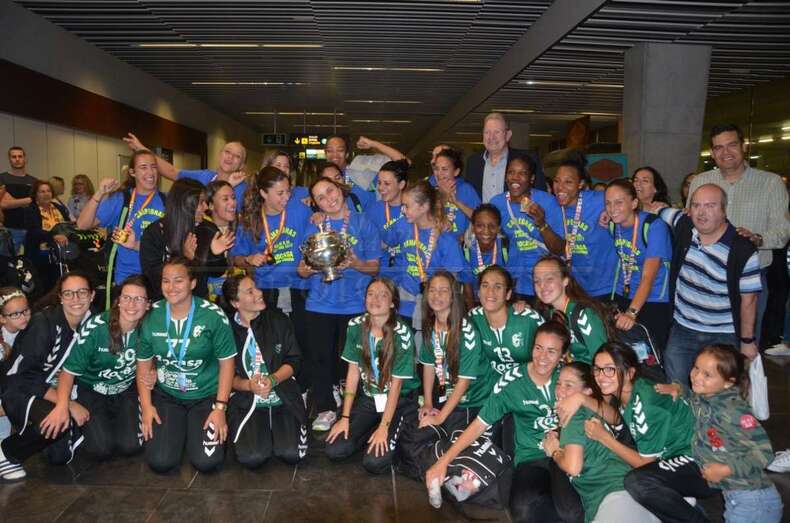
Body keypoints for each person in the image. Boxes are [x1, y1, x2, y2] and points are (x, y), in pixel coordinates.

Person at [424, 320, 571, 522]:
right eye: (538, 348)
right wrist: (443, 461)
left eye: (552, 351)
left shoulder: (570, 378)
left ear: (563, 355)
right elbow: (478, 424)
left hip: (570, 451)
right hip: (532, 457)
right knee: (521, 510)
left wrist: (579, 401)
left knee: (572, 509)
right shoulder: (512, 381)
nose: (542, 357)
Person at [577, 342, 714, 523]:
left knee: (638, 482)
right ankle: (678, 502)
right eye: (597, 369)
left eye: (610, 369)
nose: (601, 376)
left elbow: (644, 463)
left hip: (704, 464)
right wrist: (580, 398)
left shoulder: (645, 403)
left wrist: (604, 437)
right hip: (682, 455)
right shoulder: (629, 393)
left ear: (630, 373)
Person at [688, 123, 790, 347]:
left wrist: (758, 239)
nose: (726, 152)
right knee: (700, 345)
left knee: (745, 344)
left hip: (751, 278)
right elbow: (690, 225)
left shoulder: (770, 183)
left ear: (743, 146)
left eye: (732, 145)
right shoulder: (700, 181)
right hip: (704, 276)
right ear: (713, 153)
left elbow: (783, 232)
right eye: (719, 147)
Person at [657, 344, 784, 523]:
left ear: (728, 382)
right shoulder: (710, 397)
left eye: (707, 375)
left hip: (754, 502)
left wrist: (726, 469)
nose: (696, 376)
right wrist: (680, 389)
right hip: (737, 498)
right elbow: (696, 400)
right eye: (696, 368)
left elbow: (764, 453)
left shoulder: (734, 411)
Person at [136, 258, 237, 473]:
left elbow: (227, 364)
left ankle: (193, 432)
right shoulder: (151, 315)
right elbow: (143, 365)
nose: (171, 288)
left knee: (207, 463)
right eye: (166, 281)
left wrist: (220, 408)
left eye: (178, 281)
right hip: (168, 395)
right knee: (160, 462)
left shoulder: (213, 315)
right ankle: (179, 433)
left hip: (205, 396)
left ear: (192, 283)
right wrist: (146, 406)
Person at [297, 177, 381, 432]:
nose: (328, 199)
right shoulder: (313, 227)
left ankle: (352, 409)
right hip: (320, 305)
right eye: (320, 197)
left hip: (355, 304)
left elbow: (374, 267)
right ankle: (324, 408)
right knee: (320, 360)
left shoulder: (362, 222)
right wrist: (314, 267)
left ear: (340, 190)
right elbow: (301, 271)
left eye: (330, 191)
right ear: (316, 203)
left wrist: (355, 263)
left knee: (353, 362)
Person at [40, 276, 150, 461]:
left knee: (131, 446)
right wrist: (62, 405)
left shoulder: (149, 326)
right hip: (92, 390)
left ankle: (117, 423)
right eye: (126, 297)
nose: (132, 304)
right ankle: (84, 428)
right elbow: (68, 372)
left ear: (147, 304)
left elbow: (156, 356)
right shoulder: (96, 328)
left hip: (126, 390)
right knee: (101, 449)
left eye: (139, 299)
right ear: (118, 301)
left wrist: (152, 370)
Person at [661, 184, 761, 384]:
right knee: (677, 388)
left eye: (710, 206)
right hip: (683, 328)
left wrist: (747, 341)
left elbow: (749, 300)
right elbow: (659, 209)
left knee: (718, 392)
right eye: (696, 205)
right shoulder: (686, 227)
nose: (701, 212)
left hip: (722, 334)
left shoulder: (742, 249)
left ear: (724, 210)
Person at [0, 272, 94, 480]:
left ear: (92, 295)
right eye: (69, 293)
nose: (76, 299)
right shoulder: (44, 323)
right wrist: (67, 404)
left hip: (55, 389)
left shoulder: (93, 322)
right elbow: (25, 377)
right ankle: (7, 451)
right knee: (58, 423)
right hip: (22, 389)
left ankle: (43, 432)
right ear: (60, 297)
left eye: (82, 292)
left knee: (58, 456)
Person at [542, 362, 658, 523]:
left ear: (586, 392)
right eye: (559, 383)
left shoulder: (573, 417)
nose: (560, 390)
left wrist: (554, 451)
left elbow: (573, 467)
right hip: (631, 489)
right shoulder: (596, 409)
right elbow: (617, 417)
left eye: (569, 385)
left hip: (613, 497)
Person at [325, 278, 419, 474]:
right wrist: (344, 416)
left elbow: (396, 386)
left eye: (383, 295)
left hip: (399, 400)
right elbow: (352, 373)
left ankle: (394, 430)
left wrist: (384, 427)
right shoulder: (355, 325)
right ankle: (370, 428)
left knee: (374, 463)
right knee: (335, 449)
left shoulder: (402, 333)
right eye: (371, 294)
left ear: (393, 302)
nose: (375, 299)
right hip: (370, 398)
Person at [223, 274, 308, 469]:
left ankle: (281, 428)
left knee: (292, 454)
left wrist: (273, 379)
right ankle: (262, 431)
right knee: (252, 458)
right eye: (250, 291)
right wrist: (248, 385)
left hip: (282, 394)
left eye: (257, 288)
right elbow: (224, 375)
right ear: (235, 302)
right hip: (246, 399)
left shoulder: (279, 320)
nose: (259, 293)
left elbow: (294, 361)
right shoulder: (225, 329)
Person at [77, 150, 166, 287]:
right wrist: (100, 192)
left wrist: (135, 244)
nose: (150, 172)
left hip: (160, 277)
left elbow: (171, 247)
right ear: (132, 172)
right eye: (143, 167)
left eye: (153, 167)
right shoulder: (121, 199)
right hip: (128, 279)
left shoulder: (167, 202)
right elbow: (83, 224)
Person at [380, 180, 465, 324]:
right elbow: (386, 246)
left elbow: (453, 277)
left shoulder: (446, 238)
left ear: (424, 206)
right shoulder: (403, 226)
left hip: (433, 305)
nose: (403, 210)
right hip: (404, 302)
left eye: (407, 206)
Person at [415, 271, 487, 436]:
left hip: (470, 401)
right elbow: (428, 366)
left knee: (451, 442)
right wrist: (427, 402)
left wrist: (440, 418)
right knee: (421, 432)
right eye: (432, 290)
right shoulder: (430, 326)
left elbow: (464, 382)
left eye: (443, 290)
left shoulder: (467, 331)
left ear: (453, 296)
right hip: (445, 395)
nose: (436, 295)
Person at [604, 179, 672, 354]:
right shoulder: (613, 224)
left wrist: (632, 312)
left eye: (619, 202)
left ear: (634, 203)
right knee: (627, 352)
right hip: (624, 294)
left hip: (653, 299)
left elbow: (648, 277)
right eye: (608, 203)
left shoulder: (654, 226)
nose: (612, 208)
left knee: (652, 354)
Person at [490, 154, 563, 302]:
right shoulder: (497, 203)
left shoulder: (547, 202)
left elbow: (560, 248)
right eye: (511, 172)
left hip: (543, 283)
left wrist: (542, 223)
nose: (515, 178)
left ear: (531, 178)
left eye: (522, 173)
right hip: (513, 282)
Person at [552, 159, 618, 299]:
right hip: (574, 288)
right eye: (557, 181)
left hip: (605, 287)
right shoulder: (552, 206)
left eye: (568, 182)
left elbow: (630, 201)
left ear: (580, 184)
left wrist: (611, 212)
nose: (560, 187)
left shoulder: (599, 200)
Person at [468, 266, 544, 384]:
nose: (490, 292)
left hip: (529, 387)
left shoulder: (529, 319)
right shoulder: (473, 319)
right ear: (478, 292)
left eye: (498, 287)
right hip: (493, 389)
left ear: (508, 294)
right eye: (485, 285)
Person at [124, 133, 249, 204]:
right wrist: (141, 149)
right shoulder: (204, 176)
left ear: (241, 165)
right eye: (227, 152)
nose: (230, 157)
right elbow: (172, 172)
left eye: (237, 156)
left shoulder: (245, 191)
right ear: (220, 154)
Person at [533, 255, 612, 364]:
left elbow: (604, 361)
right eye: (537, 281)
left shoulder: (583, 315)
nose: (542, 286)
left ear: (565, 281)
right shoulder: (550, 315)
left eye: (549, 279)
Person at [139, 178, 209, 300]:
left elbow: (201, 287)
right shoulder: (154, 233)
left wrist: (212, 257)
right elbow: (153, 280)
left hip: (195, 306)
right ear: (186, 204)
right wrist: (184, 259)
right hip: (162, 305)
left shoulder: (202, 232)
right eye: (201, 202)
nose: (206, 207)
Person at [465, 112, 546, 202]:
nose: (491, 137)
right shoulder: (473, 162)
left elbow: (541, 195)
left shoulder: (528, 159)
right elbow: (469, 198)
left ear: (508, 135)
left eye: (497, 132)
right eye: (487, 132)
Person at [0, 286, 32, 479]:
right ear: (2, 318)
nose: (24, 317)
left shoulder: (31, 330)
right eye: (16, 314)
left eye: (26, 310)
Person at [326, 135, 407, 207]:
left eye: (340, 150)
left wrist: (374, 144)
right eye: (330, 151)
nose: (335, 155)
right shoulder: (323, 182)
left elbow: (404, 162)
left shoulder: (360, 164)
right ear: (325, 154)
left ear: (347, 154)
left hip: (378, 220)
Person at [23, 180, 71, 293]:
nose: (46, 194)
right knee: (46, 286)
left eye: (48, 191)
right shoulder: (30, 209)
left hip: (62, 251)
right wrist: (53, 236)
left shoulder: (59, 207)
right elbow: (33, 231)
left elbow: (68, 224)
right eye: (42, 191)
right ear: (35, 194)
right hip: (40, 253)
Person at [194, 180, 237, 300]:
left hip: (236, 296)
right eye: (225, 199)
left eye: (233, 197)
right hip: (208, 297)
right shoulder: (201, 230)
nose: (232, 203)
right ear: (211, 205)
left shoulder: (243, 227)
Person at [460, 204, 507, 308]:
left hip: (500, 302)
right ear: (473, 228)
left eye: (492, 226)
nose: (486, 231)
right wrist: (474, 314)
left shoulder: (506, 247)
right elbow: (467, 287)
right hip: (475, 302)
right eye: (480, 226)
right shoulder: (466, 250)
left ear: (498, 228)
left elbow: (511, 284)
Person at [429, 147, 481, 239]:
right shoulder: (428, 188)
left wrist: (456, 202)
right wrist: (442, 196)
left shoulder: (466, 189)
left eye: (444, 169)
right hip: (434, 244)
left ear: (456, 172)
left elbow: (480, 218)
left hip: (459, 246)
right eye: (437, 169)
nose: (439, 173)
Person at [365, 159, 409, 266]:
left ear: (401, 184)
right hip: (383, 269)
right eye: (379, 183)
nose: (381, 188)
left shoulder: (414, 207)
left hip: (410, 268)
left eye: (387, 183)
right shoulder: (373, 210)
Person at [0, 146, 36, 253]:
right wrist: (29, 200)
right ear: (9, 159)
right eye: (13, 157)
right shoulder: (2, 178)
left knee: (32, 263)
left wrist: (14, 202)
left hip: (31, 229)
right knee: (8, 262)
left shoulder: (34, 181)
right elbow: (4, 204)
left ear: (25, 159)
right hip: (9, 228)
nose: (17, 159)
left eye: (20, 156)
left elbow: (39, 202)